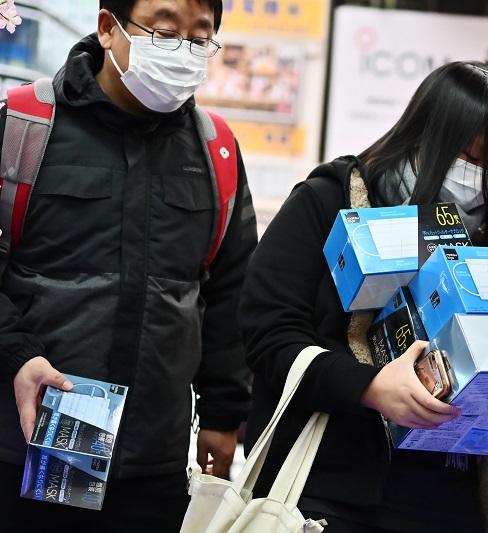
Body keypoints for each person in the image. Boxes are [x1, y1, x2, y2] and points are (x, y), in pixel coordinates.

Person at [239, 60, 488, 533]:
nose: (479, 180)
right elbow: (268, 332)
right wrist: (370, 387)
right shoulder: (329, 200)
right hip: (328, 498)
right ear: (428, 135)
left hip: (449, 506)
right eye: (470, 157)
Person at [0, 1, 257, 531]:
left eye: (199, 37)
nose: (183, 50)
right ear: (107, 28)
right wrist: (19, 355)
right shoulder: (23, 127)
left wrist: (224, 415)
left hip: (152, 463)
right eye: (165, 31)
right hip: (23, 447)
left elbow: (232, 292)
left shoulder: (216, 151)